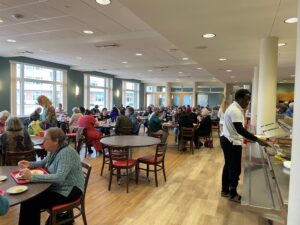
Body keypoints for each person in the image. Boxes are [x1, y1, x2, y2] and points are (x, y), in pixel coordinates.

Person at [17, 128, 84, 225]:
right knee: (28, 199)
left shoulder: (65, 153)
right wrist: (29, 164)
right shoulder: (54, 150)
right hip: (58, 186)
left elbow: (59, 177)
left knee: (31, 202)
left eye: (46, 139)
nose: (43, 142)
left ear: (56, 141)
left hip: (69, 190)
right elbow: (43, 162)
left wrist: (32, 177)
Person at [220, 89, 269, 203]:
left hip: (228, 139)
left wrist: (251, 137)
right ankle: (232, 194)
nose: (248, 103)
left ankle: (225, 190)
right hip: (231, 142)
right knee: (234, 168)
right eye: (246, 100)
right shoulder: (235, 110)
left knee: (228, 165)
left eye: (249, 100)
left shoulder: (235, 108)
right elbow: (239, 130)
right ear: (239, 98)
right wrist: (257, 140)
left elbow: (239, 129)